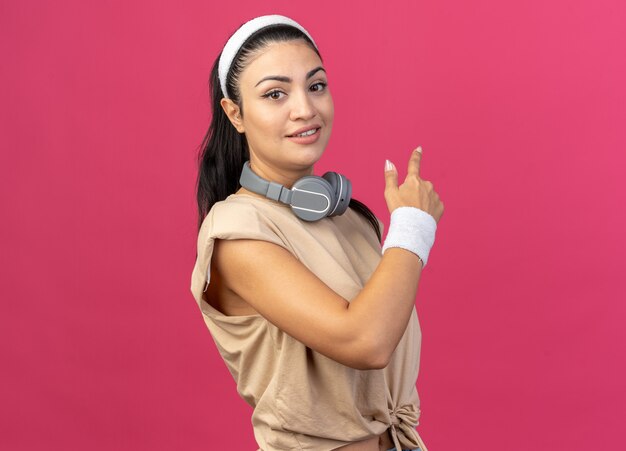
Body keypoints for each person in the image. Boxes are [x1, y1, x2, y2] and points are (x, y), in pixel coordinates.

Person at [190, 14, 444, 451]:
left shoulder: (354, 220)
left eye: (316, 85)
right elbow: (365, 342)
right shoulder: (236, 233)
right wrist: (414, 226)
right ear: (235, 113)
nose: (305, 108)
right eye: (275, 93)